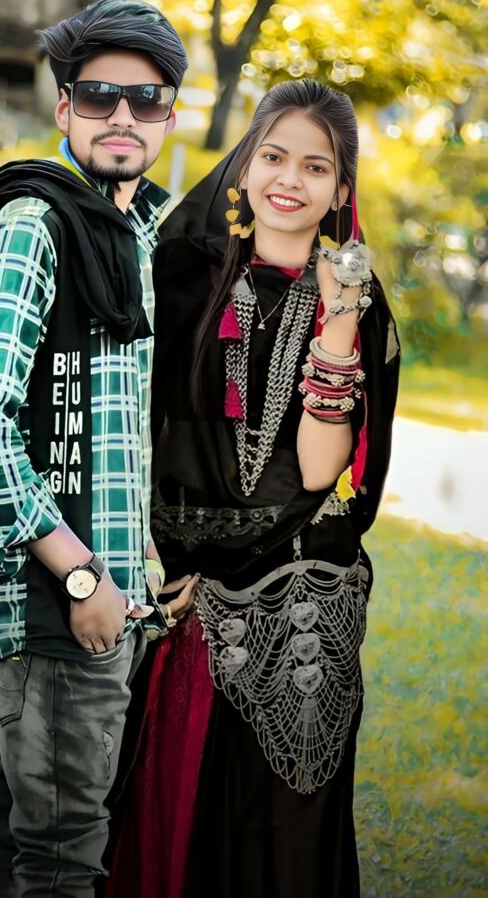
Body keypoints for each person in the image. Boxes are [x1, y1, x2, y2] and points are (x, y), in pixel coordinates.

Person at [0, 0, 187, 897]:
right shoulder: (36, 224)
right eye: (99, 96)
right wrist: (84, 577)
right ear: (64, 107)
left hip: (100, 595)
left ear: (171, 116)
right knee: (62, 863)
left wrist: (142, 556)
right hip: (60, 604)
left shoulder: (132, 229)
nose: (123, 116)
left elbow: (117, 419)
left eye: (146, 99)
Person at [107, 79, 400, 898]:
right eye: (274, 156)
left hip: (297, 605)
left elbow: (318, 472)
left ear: (340, 190)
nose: (289, 180)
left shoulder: (355, 302)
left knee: (275, 840)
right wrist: (157, 557)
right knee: (178, 819)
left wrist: (338, 321)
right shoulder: (181, 278)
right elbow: (136, 429)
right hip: (185, 597)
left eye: (316, 167)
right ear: (243, 165)